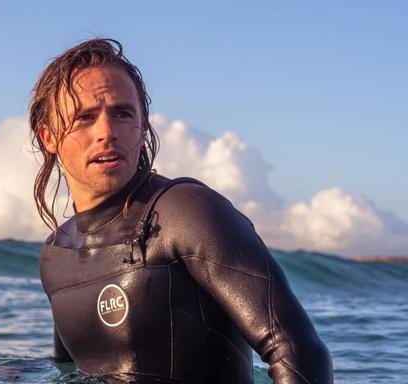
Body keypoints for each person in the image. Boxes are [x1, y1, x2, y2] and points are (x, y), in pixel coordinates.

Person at [29, 38, 333, 383]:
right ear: (48, 137)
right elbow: (72, 372)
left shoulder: (187, 213)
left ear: (142, 126)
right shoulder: (57, 254)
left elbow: (297, 351)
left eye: (122, 113)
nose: (107, 132)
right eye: (85, 117)